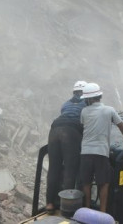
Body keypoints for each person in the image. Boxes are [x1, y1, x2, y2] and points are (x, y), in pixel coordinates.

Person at [79, 82, 123, 213]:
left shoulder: (84, 111)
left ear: (88, 99)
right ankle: (103, 211)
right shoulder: (109, 110)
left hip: (86, 151)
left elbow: (84, 128)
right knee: (103, 182)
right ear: (99, 96)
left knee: (86, 182)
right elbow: (121, 126)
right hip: (101, 152)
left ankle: (87, 208)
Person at [46, 81, 87, 211]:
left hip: (55, 129)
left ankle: (50, 204)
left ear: (74, 92)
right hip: (70, 131)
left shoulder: (66, 104)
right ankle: (66, 206)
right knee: (70, 169)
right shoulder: (87, 104)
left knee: (53, 168)